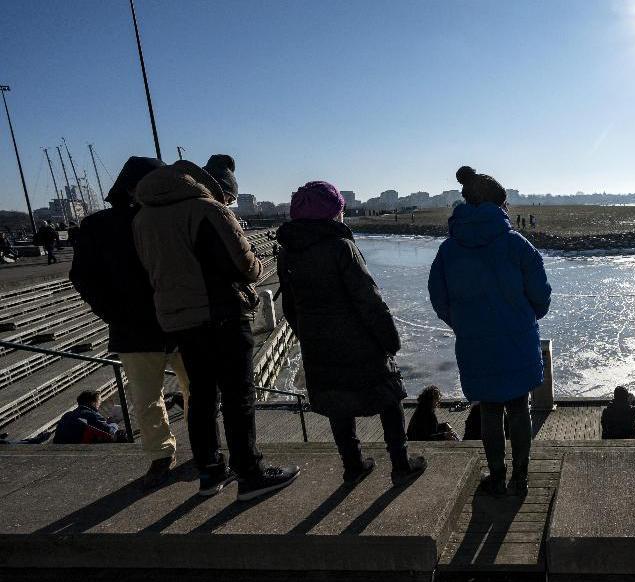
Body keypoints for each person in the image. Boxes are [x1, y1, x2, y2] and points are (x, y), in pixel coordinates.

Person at [133, 154, 298, 500]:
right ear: (222, 188)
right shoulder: (208, 210)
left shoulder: (144, 216)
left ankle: (209, 471)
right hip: (221, 314)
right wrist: (256, 256)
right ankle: (250, 473)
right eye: (232, 198)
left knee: (202, 397)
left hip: (180, 320)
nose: (230, 203)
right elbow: (247, 268)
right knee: (239, 397)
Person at [277, 181, 427, 485]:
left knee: (337, 403)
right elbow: (368, 299)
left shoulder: (288, 253)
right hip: (359, 341)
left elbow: (290, 308)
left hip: (319, 345)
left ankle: (353, 465)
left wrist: (309, 336)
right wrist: (390, 339)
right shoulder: (340, 247)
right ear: (334, 214)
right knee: (389, 397)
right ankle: (400, 463)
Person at [429, 166, 552, 497]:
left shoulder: (448, 250)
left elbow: (438, 298)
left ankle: (496, 475)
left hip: (475, 344)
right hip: (516, 340)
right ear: (500, 205)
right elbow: (540, 296)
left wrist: (465, 323)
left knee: (490, 410)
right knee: (518, 408)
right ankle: (521, 476)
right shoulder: (517, 245)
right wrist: (522, 316)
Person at [70, 157, 191, 488]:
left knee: (150, 396)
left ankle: (164, 455)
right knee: (181, 391)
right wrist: (113, 313)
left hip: (148, 325)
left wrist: (112, 313)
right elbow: (83, 277)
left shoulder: (102, 225)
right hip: (170, 322)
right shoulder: (102, 226)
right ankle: (174, 452)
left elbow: (83, 278)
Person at [53, 390, 122, 444]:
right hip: (78, 449)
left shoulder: (67, 415)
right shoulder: (91, 414)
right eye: (99, 401)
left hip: (58, 447)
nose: (100, 403)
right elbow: (111, 431)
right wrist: (113, 423)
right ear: (93, 403)